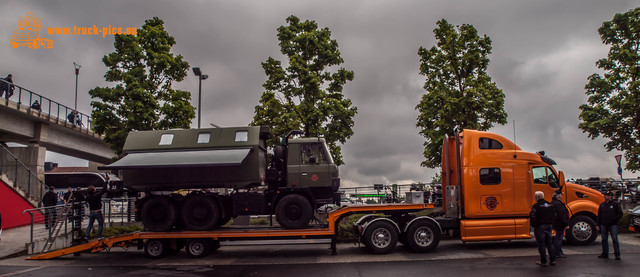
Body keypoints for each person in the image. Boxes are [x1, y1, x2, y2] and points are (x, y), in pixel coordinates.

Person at [530, 191, 556, 266]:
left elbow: (533, 216)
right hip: (549, 226)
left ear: (538, 197)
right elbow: (554, 215)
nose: (534, 197)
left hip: (540, 227)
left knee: (541, 245)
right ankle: (553, 260)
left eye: (535, 196)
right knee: (549, 244)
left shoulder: (536, 206)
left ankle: (543, 261)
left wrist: (533, 225)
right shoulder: (550, 205)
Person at [597, 190, 623, 260]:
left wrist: (615, 220)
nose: (605, 197)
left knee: (614, 239)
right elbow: (599, 215)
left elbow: (620, 214)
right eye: (604, 195)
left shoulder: (615, 204)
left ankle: (617, 254)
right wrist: (598, 224)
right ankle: (605, 253)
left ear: (610, 196)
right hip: (603, 224)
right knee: (604, 239)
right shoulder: (602, 205)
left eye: (606, 195)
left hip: (613, 225)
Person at [551, 190, 570, 258]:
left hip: (556, 223)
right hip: (559, 224)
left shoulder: (553, 203)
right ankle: (558, 252)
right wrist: (566, 223)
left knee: (557, 238)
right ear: (559, 196)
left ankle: (558, 252)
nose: (562, 196)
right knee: (559, 238)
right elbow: (561, 215)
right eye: (561, 195)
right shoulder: (558, 204)